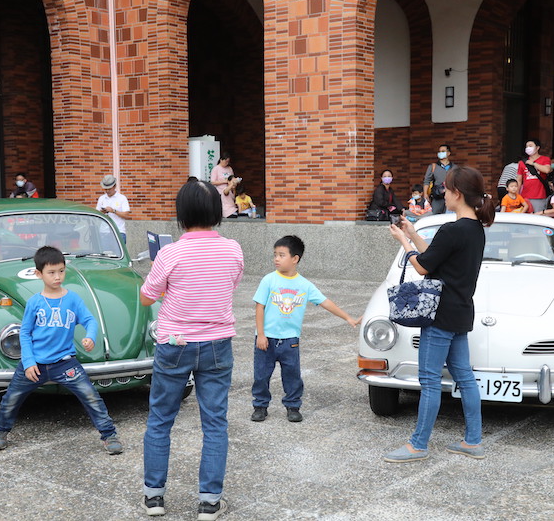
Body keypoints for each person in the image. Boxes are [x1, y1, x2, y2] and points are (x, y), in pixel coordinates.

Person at [139, 180, 243, 520]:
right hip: (217, 344)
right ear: (216, 212)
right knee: (215, 424)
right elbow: (228, 286)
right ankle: (209, 502)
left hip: (174, 344)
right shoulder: (233, 249)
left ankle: (154, 498)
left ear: (181, 214)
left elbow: (146, 297)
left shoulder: (169, 253)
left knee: (160, 420)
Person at [384, 166, 495, 463]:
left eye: (445, 189)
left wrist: (403, 242)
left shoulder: (453, 229)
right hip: (460, 312)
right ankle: (473, 441)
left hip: (440, 315)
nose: (441, 193)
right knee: (465, 377)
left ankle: (417, 445)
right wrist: (412, 232)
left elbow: (421, 267)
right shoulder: (474, 230)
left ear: (457, 193)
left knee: (430, 380)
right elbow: (434, 259)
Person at [0, 246, 124, 455]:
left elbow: (90, 320)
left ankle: (109, 435)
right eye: (51, 272)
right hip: (34, 364)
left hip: (65, 362)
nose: (57, 276)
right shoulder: (34, 302)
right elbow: (24, 334)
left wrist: (90, 336)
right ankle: (0, 431)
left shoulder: (72, 299)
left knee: (91, 396)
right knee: (11, 398)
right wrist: (29, 362)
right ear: (38, 274)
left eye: (61, 271)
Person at [251, 235, 360, 424]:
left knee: (292, 375)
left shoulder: (304, 285)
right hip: (266, 339)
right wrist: (261, 334)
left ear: (295, 259)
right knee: (261, 375)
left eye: (281, 255)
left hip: (290, 340)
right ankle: (260, 406)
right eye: (275, 255)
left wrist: (348, 317)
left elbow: (326, 302)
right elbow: (259, 307)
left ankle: (293, 406)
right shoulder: (268, 280)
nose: (276, 258)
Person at [516, 139, 552, 213]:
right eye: (527, 146)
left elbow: (547, 170)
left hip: (539, 196)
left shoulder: (545, 159)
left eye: (530, 146)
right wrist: (516, 195)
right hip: (525, 196)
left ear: (537, 148)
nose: (528, 148)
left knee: (538, 218)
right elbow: (519, 180)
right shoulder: (522, 163)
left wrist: (533, 164)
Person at [96, 174, 131, 244]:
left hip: (119, 231)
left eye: (109, 188)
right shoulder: (101, 198)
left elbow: (127, 215)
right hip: (104, 232)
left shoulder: (122, 198)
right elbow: (97, 215)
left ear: (114, 186)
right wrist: (102, 212)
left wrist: (113, 211)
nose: (107, 191)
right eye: (105, 189)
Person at [424, 144, 457, 214]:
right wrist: (425, 194)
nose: (440, 153)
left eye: (443, 151)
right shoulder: (433, 167)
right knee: (435, 215)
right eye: (439, 152)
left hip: (451, 196)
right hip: (437, 196)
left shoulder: (455, 168)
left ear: (448, 153)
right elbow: (427, 181)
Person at [210, 153, 240, 218]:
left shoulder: (229, 168)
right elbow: (212, 182)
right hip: (220, 191)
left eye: (228, 162)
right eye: (225, 161)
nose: (227, 163)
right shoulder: (216, 169)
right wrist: (225, 181)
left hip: (230, 190)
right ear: (221, 160)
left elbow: (232, 178)